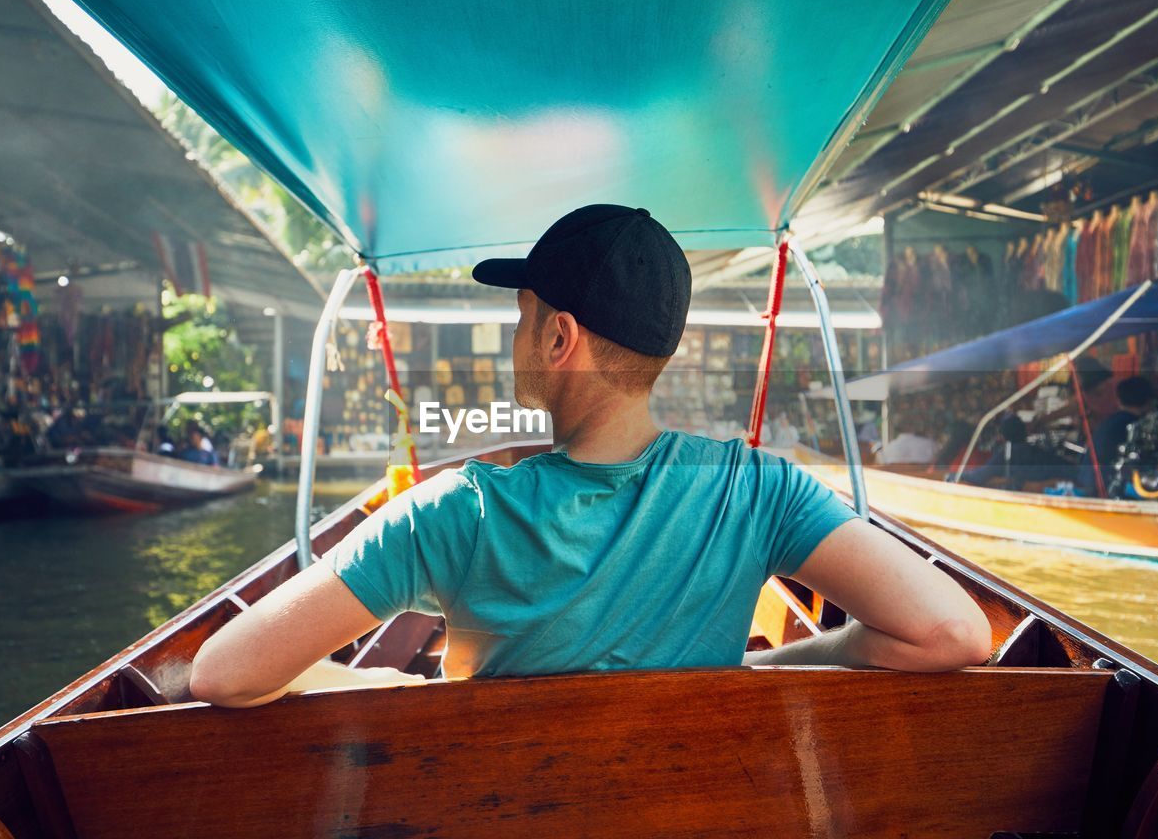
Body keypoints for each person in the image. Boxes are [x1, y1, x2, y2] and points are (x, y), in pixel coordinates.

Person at [190, 204, 991, 708]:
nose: (517, 338)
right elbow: (952, 632)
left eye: (522, 316)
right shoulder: (758, 492)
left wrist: (388, 685)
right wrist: (774, 666)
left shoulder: (454, 512)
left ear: (558, 336)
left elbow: (223, 673)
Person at [1076, 375, 1154, 495]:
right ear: (1149, 401)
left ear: (1118, 399)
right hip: (1101, 491)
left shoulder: (1112, 421)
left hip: (1087, 483)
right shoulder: (1133, 426)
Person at [961, 414, 1067, 491]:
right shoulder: (1039, 453)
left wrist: (952, 476)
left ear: (1002, 437)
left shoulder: (1005, 456)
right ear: (1025, 432)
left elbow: (977, 477)